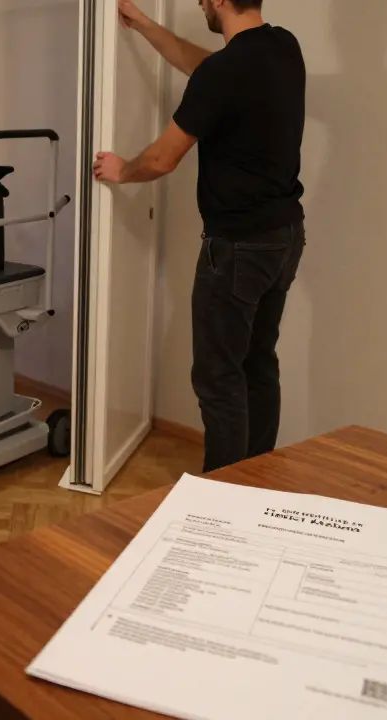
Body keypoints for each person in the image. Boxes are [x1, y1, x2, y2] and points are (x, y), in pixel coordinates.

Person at [96, 0, 305, 473]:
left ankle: (221, 497)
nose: (200, 2)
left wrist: (122, 170)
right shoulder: (282, 47)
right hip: (284, 236)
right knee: (257, 362)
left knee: (218, 376)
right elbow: (205, 65)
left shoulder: (225, 72)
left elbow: (161, 159)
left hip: (238, 246)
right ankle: (255, 479)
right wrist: (145, 25)